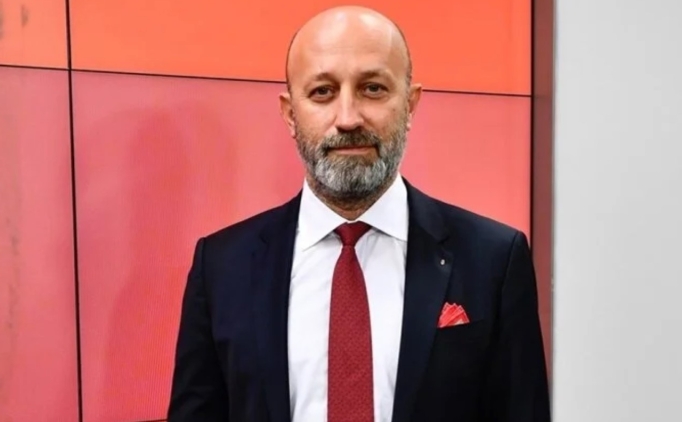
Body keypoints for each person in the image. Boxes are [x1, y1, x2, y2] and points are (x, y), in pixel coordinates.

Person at [167, 5, 550, 422]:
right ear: (290, 114)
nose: (348, 118)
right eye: (322, 92)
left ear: (411, 105)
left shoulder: (494, 260)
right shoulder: (222, 266)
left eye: (372, 89)